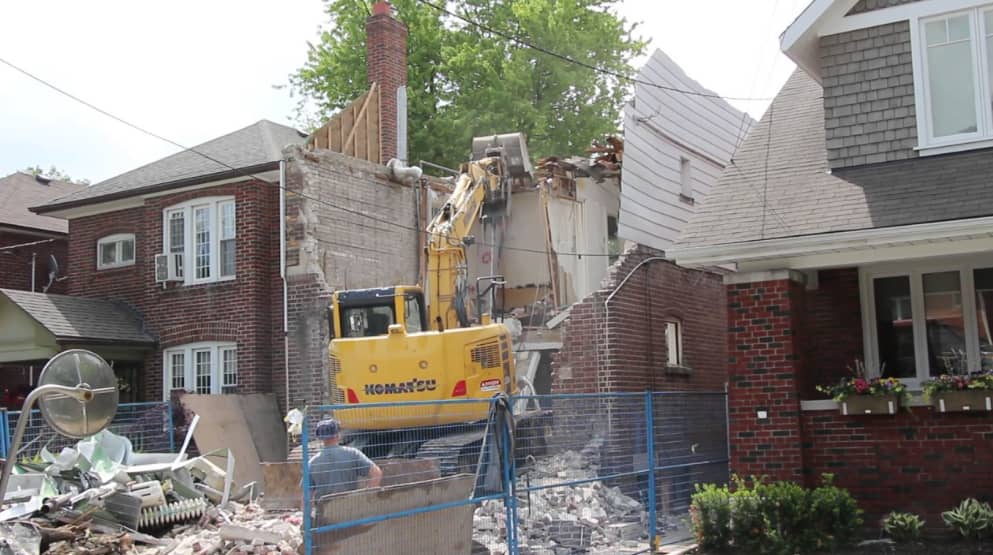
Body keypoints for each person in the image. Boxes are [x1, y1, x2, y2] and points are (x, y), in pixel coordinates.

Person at [308, 418, 382, 500]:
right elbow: (376, 473)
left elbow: (306, 496)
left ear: (320, 437)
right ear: (337, 434)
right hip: (349, 508)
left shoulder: (312, 462)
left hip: (324, 510)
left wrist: (307, 512)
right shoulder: (353, 453)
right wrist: (368, 498)